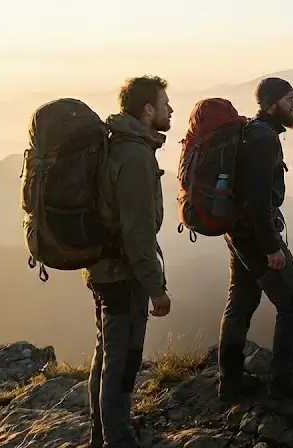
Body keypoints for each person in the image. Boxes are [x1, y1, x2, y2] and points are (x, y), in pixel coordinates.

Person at [216, 77, 293, 402]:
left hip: (236, 232)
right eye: (291, 98)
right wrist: (272, 248)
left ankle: (231, 379)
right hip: (254, 236)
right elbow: (258, 202)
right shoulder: (264, 140)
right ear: (274, 103)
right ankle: (281, 382)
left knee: (242, 300)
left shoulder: (251, 132)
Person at [83, 75, 174, 447]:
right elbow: (138, 233)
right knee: (121, 364)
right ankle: (118, 439)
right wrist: (157, 289)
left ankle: (101, 432)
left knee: (107, 353)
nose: (171, 110)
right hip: (123, 276)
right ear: (147, 110)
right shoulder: (134, 156)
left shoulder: (118, 144)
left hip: (104, 268)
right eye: (165, 103)